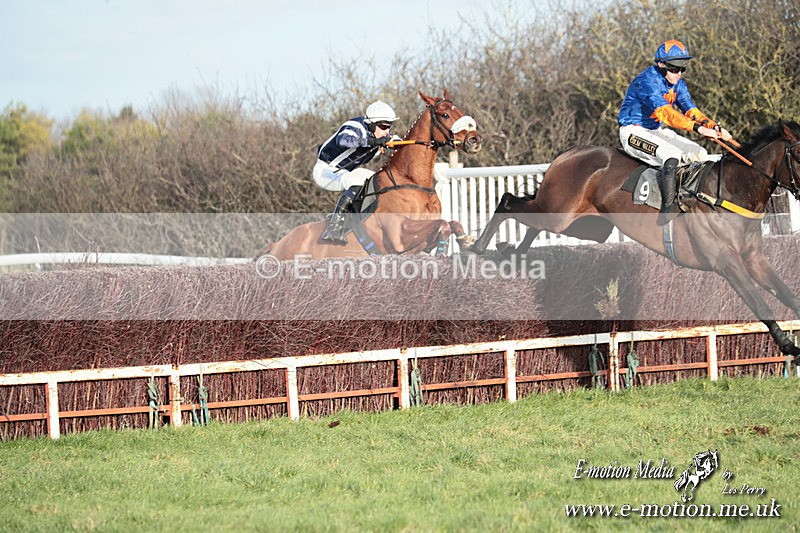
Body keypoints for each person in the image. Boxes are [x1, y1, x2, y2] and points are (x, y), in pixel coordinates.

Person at [618, 40, 732, 225]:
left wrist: (713, 127)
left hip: (655, 130)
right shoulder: (646, 81)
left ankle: (696, 202)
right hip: (632, 130)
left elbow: (691, 110)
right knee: (671, 156)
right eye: (674, 68)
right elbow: (666, 113)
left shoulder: (678, 83)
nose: (678, 73)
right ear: (661, 65)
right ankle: (668, 209)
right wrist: (698, 128)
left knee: (700, 154)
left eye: (682, 69)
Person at [314, 100, 401, 242]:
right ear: (372, 124)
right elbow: (345, 140)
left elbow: (397, 140)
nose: (387, 131)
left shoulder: (380, 133)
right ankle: (333, 228)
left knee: (378, 180)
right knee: (355, 180)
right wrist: (375, 142)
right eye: (384, 127)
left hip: (343, 172)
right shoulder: (355, 126)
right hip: (326, 171)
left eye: (389, 127)